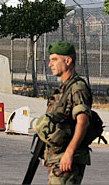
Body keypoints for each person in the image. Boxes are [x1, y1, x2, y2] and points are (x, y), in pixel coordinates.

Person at [43, 41, 92, 185]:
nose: (50, 64)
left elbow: (83, 122)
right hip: (57, 157)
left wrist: (69, 153)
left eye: (54, 59)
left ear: (68, 61)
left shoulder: (77, 88)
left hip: (66, 159)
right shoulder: (64, 89)